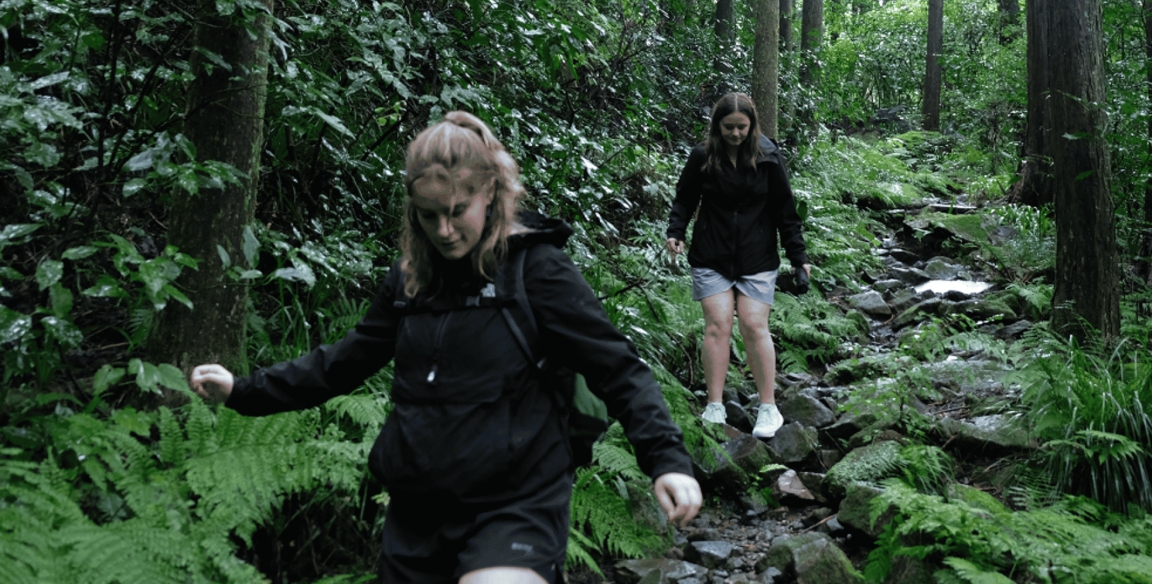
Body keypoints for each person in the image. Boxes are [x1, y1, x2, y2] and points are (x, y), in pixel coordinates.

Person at [190, 111, 702, 584]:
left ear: (492, 194)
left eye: (458, 211)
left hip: (516, 507)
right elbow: (343, 363)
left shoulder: (537, 272)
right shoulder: (410, 281)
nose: (445, 230)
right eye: (428, 215)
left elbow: (618, 368)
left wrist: (667, 460)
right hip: (417, 517)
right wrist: (243, 390)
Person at [665, 93, 810, 440]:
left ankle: (768, 407)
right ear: (717, 126)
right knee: (717, 326)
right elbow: (685, 198)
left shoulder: (769, 156)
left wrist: (798, 258)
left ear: (752, 125)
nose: (735, 133)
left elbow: (785, 210)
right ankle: (714, 405)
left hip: (757, 256)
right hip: (710, 254)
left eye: (741, 127)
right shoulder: (702, 156)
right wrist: (675, 233)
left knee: (753, 324)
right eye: (728, 127)